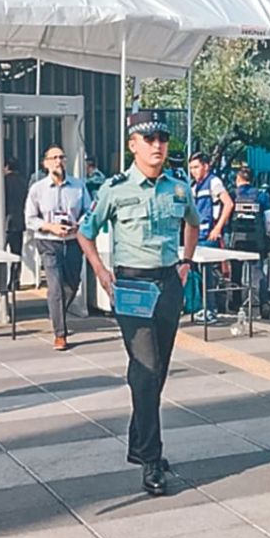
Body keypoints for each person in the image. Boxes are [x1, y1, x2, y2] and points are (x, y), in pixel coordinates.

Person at [77, 112, 199, 497]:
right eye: (149, 140)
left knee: (155, 371)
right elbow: (86, 232)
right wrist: (100, 271)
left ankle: (140, 442)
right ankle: (150, 459)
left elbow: (192, 224)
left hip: (168, 283)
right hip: (131, 285)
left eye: (162, 139)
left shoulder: (178, 188)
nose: (157, 146)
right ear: (133, 145)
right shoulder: (114, 189)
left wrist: (186, 262)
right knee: (145, 370)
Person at [25, 145, 91, 351]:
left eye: (61, 157)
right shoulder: (38, 189)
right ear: (45, 163)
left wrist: (78, 224)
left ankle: (57, 311)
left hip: (72, 241)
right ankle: (60, 333)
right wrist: (50, 226)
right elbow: (30, 219)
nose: (58, 161)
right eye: (53, 158)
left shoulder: (78, 186)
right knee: (54, 287)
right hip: (48, 241)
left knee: (72, 284)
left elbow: (89, 211)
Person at [188, 152, 234, 324]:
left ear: (205, 166)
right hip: (197, 235)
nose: (193, 171)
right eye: (191, 168)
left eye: (196, 167)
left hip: (209, 235)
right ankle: (202, 307)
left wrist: (218, 228)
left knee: (208, 274)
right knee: (198, 273)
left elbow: (228, 203)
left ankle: (211, 309)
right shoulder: (194, 186)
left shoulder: (214, 182)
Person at [228, 167, 270, 320]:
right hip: (256, 239)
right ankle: (264, 304)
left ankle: (236, 303)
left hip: (237, 240)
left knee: (236, 273)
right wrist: (266, 234)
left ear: (238, 179)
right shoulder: (261, 195)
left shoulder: (233, 194)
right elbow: (269, 219)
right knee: (258, 272)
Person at [3, 158, 28, 284]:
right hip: (19, 221)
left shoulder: (2, 182)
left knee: (0, 253)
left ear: (6, 166)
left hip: (4, 221)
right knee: (16, 253)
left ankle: (1, 280)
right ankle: (15, 280)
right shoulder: (24, 182)